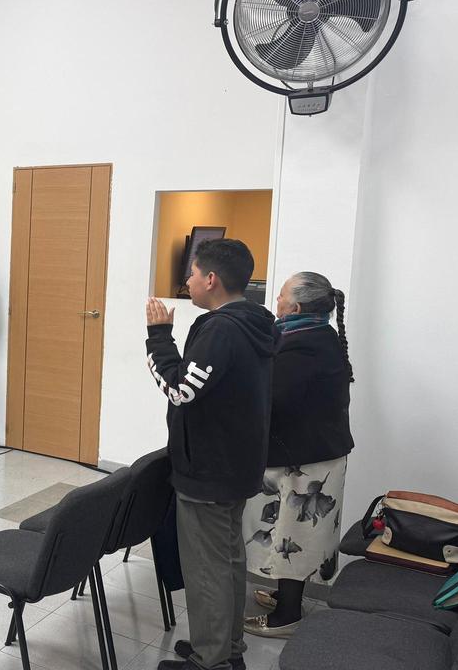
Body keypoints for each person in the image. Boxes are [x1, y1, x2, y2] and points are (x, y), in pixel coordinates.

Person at [145, 238, 275, 670]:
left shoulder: (221, 329)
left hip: (210, 470)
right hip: (236, 464)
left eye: (193, 274)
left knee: (207, 568)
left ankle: (211, 658)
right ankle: (227, 647)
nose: (188, 281)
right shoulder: (255, 321)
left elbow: (181, 390)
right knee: (229, 560)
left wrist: (158, 338)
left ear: (212, 279)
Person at [241, 272, 354, 639]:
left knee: (296, 533)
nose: (276, 300)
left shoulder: (304, 345)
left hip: (309, 460)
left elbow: (275, 398)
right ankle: (286, 598)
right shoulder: (314, 335)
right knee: (290, 532)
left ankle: (287, 616)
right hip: (311, 453)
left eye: (281, 295)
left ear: (296, 306)